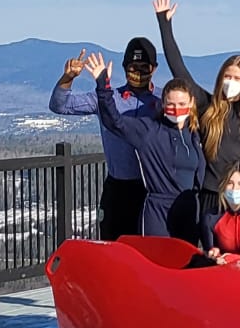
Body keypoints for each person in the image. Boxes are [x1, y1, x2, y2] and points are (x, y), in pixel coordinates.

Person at [153, 0, 240, 216]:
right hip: (209, 195)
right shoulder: (208, 107)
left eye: (236, 79)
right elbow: (179, 69)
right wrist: (164, 24)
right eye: (227, 76)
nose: (230, 83)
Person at [84, 51, 204, 242]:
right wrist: (103, 86)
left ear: (191, 104)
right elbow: (114, 122)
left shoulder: (195, 134)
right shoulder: (149, 131)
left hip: (189, 210)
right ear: (162, 104)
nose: (176, 108)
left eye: (181, 103)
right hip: (158, 213)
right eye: (171, 104)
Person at [48, 40, 158, 240]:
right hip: (117, 189)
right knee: (111, 249)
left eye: (144, 68)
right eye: (133, 67)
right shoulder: (106, 98)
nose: (138, 72)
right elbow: (60, 105)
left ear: (154, 69)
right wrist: (68, 78)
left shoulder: (164, 101)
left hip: (152, 190)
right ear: (125, 68)